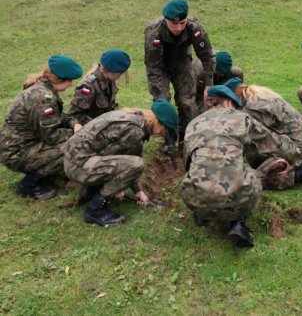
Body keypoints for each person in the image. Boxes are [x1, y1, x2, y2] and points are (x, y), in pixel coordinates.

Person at [182, 85, 297, 248]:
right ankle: (238, 223)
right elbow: (273, 143)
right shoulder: (242, 119)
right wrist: (293, 152)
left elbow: (187, 162)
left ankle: (201, 214)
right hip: (236, 197)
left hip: (193, 197)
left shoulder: (194, 123)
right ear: (229, 102)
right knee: (252, 174)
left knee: (200, 168)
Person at [64, 99, 179, 226]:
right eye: (165, 129)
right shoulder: (134, 131)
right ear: (157, 122)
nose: (163, 133)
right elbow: (124, 161)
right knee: (138, 164)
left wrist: (137, 190)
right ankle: (95, 209)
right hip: (78, 166)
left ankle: (89, 191)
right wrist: (118, 186)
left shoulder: (132, 117)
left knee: (130, 163)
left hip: (73, 158)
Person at [0, 55, 83, 200]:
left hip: (17, 146)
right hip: (17, 153)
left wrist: (73, 123)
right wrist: (76, 135)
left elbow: (56, 116)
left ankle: (45, 173)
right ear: (59, 79)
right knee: (71, 146)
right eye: (69, 80)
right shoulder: (43, 98)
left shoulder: (42, 88)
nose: (71, 84)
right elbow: (52, 137)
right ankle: (28, 185)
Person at [224, 78, 302, 190]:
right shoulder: (262, 96)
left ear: (235, 96)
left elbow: (260, 137)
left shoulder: (251, 108)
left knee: (258, 180)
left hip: (300, 147)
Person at [144, 0, 215, 148]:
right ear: (166, 20)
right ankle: (168, 139)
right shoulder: (153, 31)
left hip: (182, 64)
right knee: (162, 102)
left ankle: (187, 138)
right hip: (160, 66)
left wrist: (209, 84)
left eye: (182, 23)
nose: (178, 28)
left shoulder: (194, 28)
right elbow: (153, 65)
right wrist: (159, 91)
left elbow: (207, 57)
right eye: (173, 24)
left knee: (187, 103)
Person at [68, 49, 131, 125]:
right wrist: (103, 123)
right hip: (89, 128)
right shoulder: (88, 87)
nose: (120, 76)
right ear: (107, 70)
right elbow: (75, 115)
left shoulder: (108, 80)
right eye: (120, 73)